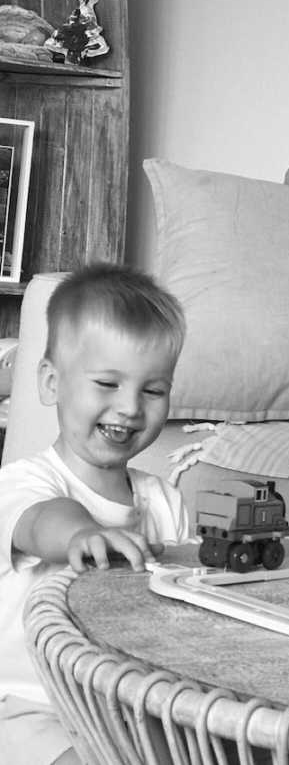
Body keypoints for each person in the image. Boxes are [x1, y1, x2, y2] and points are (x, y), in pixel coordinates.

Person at [0, 263, 192, 765]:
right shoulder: (24, 482)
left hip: (129, 706)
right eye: (107, 383)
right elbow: (42, 521)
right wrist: (84, 533)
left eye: (153, 390)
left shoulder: (165, 502)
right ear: (50, 383)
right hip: (32, 707)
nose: (130, 407)